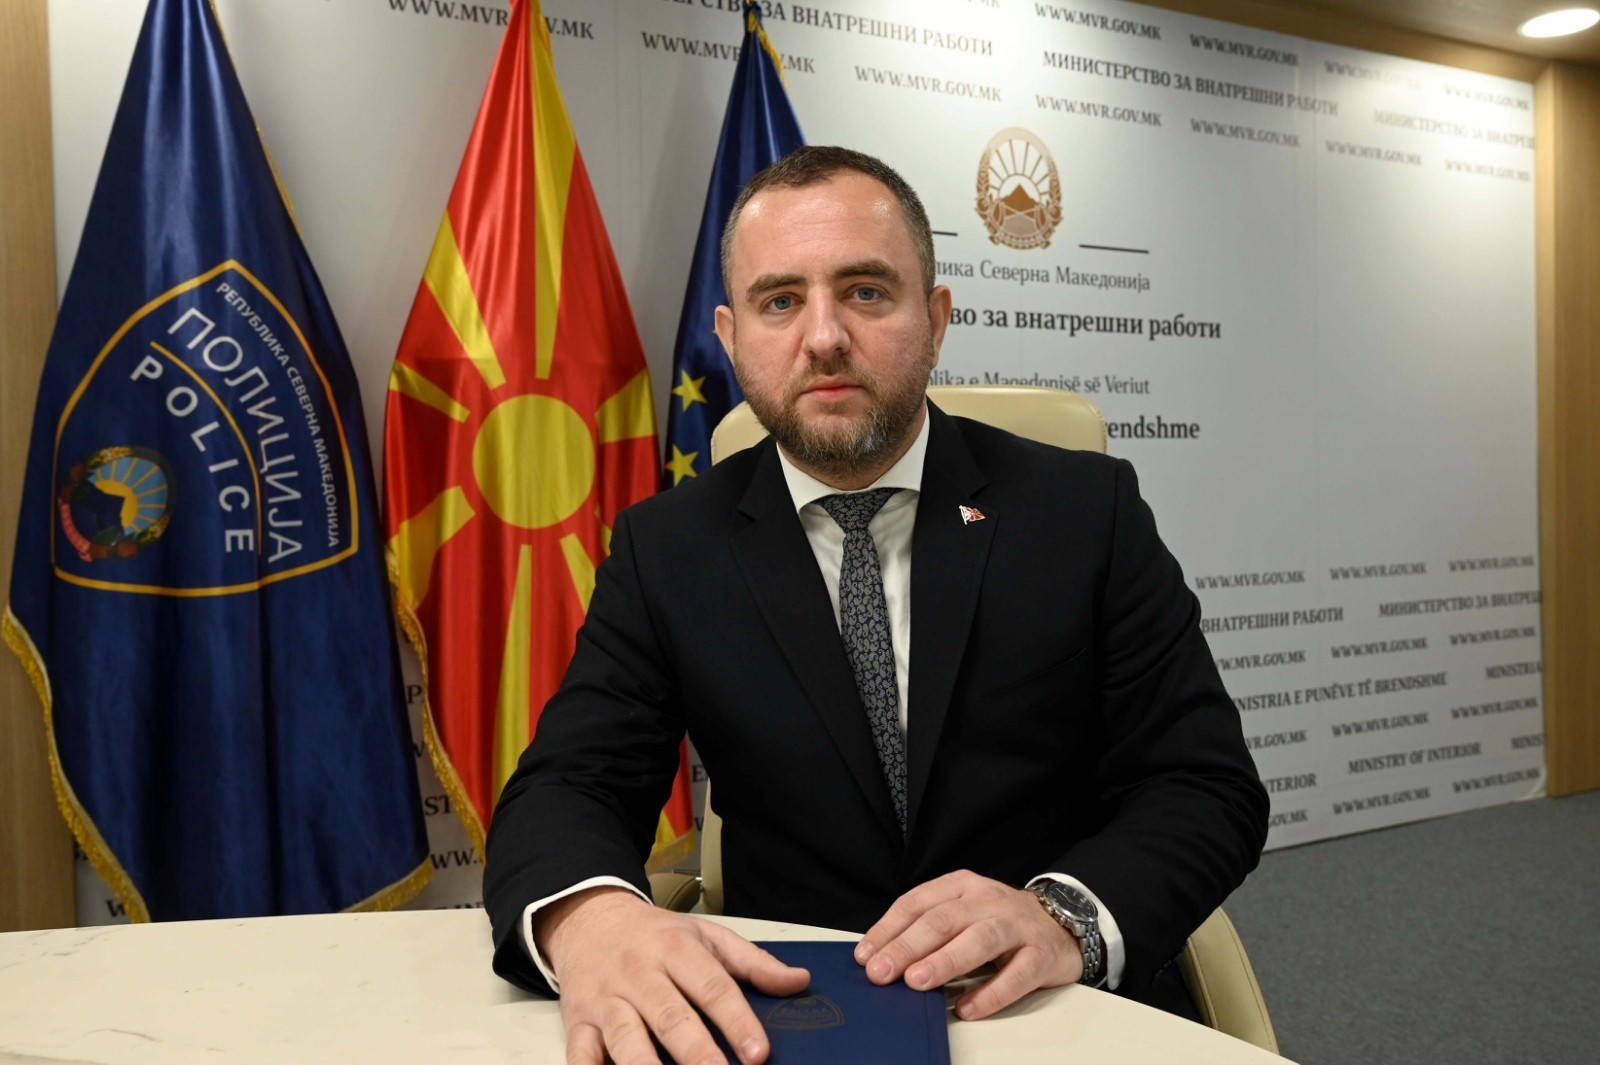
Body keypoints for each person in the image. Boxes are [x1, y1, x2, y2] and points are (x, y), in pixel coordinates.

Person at [483, 146, 1268, 1065]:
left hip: (1056, 1007)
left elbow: (1203, 783)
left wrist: (1064, 917)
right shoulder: (668, 547)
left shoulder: (1086, 511)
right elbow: (570, 784)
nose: (823, 336)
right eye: (781, 301)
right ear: (731, 338)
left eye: (864, 291)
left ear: (935, 319)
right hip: (795, 1017)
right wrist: (592, 920)